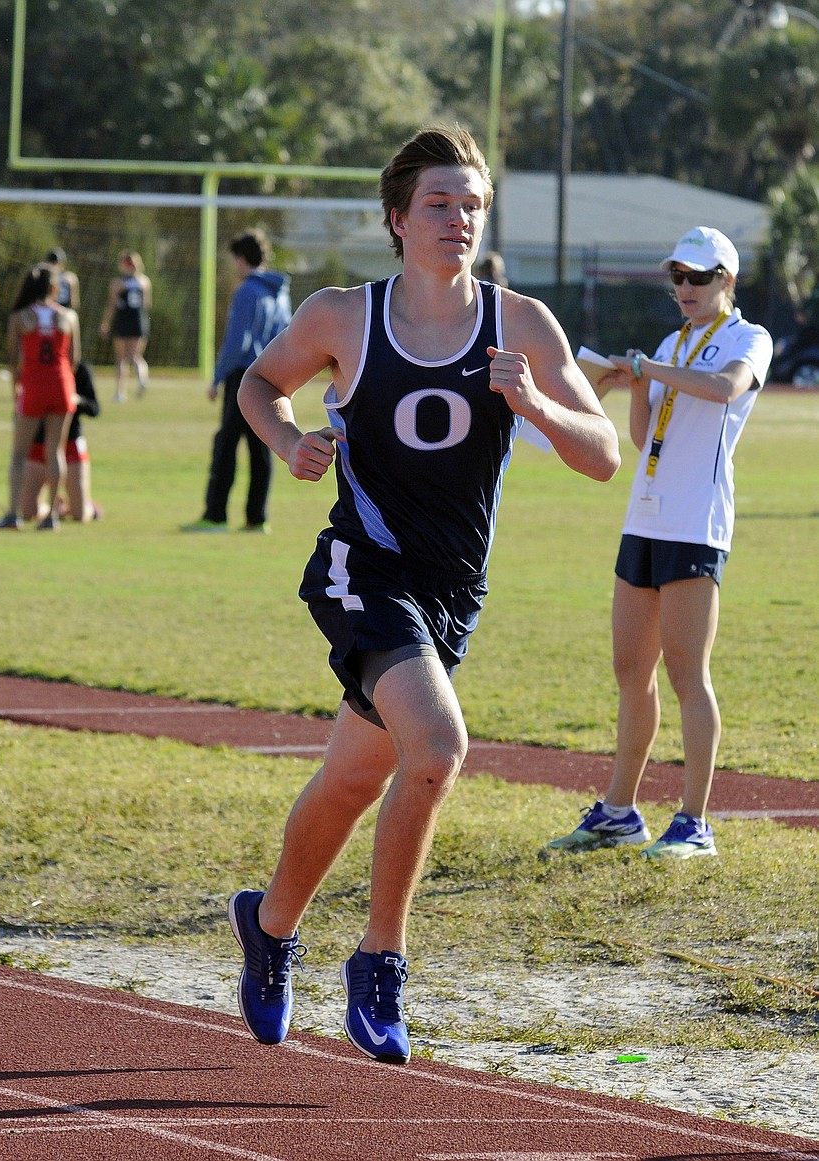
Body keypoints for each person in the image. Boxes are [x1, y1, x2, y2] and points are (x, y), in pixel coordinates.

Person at [226, 125, 620, 1065]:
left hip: (452, 593)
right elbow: (259, 383)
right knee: (438, 748)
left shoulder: (519, 323)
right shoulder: (342, 315)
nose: (459, 219)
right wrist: (290, 445)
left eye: (473, 205)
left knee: (360, 774)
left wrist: (535, 406)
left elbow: (603, 455)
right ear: (399, 219)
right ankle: (381, 961)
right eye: (439, 204)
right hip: (364, 567)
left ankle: (269, 926)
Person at [549, 226, 773, 861]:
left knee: (686, 675)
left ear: (726, 281)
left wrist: (653, 369)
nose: (685, 288)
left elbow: (728, 387)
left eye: (698, 277)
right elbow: (646, 434)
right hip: (644, 518)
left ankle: (694, 822)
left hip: (695, 525)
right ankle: (620, 812)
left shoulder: (746, 338)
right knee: (629, 671)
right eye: (677, 275)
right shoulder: (673, 342)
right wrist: (634, 385)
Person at [182, 228, 292, 533]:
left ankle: (215, 516)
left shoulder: (247, 291)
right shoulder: (280, 292)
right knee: (261, 448)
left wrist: (217, 378)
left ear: (242, 259)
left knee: (226, 443)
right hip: (273, 376)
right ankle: (257, 518)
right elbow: (287, 339)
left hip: (245, 377)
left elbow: (237, 342)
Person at [0, 263, 79, 531]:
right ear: (54, 288)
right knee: (55, 451)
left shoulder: (19, 318)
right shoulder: (69, 317)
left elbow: (15, 363)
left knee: (19, 453)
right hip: (62, 384)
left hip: (34, 385)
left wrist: (15, 395)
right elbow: (74, 360)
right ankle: (51, 516)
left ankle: (13, 514)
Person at [21, 361, 101, 523]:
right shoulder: (34, 368)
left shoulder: (79, 370)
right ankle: (57, 507)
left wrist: (77, 400)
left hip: (70, 442)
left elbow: (94, 408)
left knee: (79, 515)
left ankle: (89, 507)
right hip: (40, 443)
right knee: (28, 512)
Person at [99, 250, 152, 402]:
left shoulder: (118, 283)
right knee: (135, 356)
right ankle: (142, 377)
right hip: (140, 321)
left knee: (121, 358)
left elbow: (111, 305)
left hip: (123, 321)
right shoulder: (144, 282)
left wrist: (105, 324)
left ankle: (120, 392)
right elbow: (147, 304)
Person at [45, 247, 80, 313]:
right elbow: (74, 304)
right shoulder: (71, 278)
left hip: (55, 311)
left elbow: (74, 303)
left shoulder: (71, 278)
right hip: (60, 312)